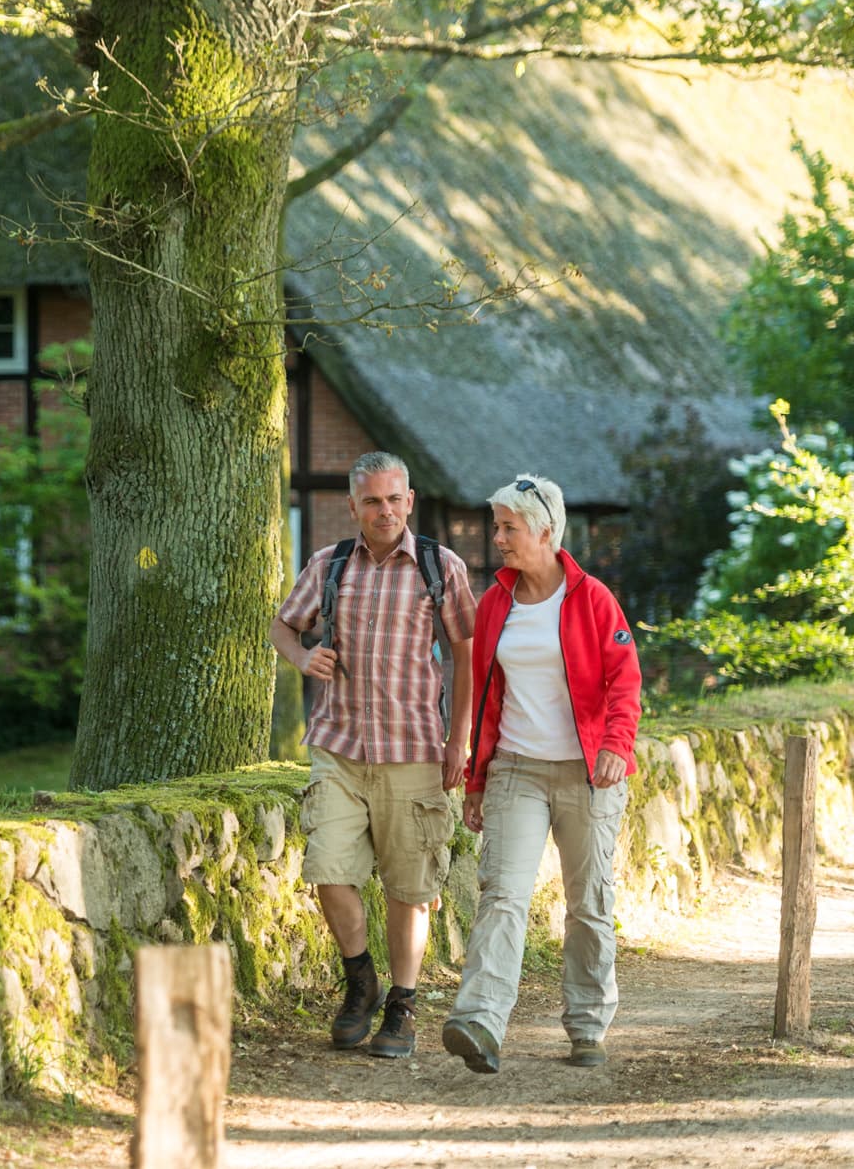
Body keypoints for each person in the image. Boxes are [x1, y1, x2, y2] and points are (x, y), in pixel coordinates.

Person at [270, 451, 476, 1058]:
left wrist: (458, 739)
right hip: (338, 748)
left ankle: (403, 1005)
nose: (383, 511)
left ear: (409, 501)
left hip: (414, 749)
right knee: (329, 872)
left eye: (394, 499)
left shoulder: (441, 567)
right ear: (353, 506)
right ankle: (360, 980)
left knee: (409, 888)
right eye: (371, 501)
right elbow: (284, 625)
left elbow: (466, 657)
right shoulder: (328, 564)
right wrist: (304, 657)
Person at [441, 473, 643, 1074]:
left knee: (588, 904)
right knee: (502, 894)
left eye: (509, 527)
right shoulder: (496, 602)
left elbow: (624, 681)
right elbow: (485, 697)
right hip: (516, 770)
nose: (498, 538)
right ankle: (480, 1019)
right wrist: (477, 780)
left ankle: (587, 1027)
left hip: (588, 773)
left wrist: (615, 743)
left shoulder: (593, 598)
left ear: (546, 532)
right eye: (497, 526)